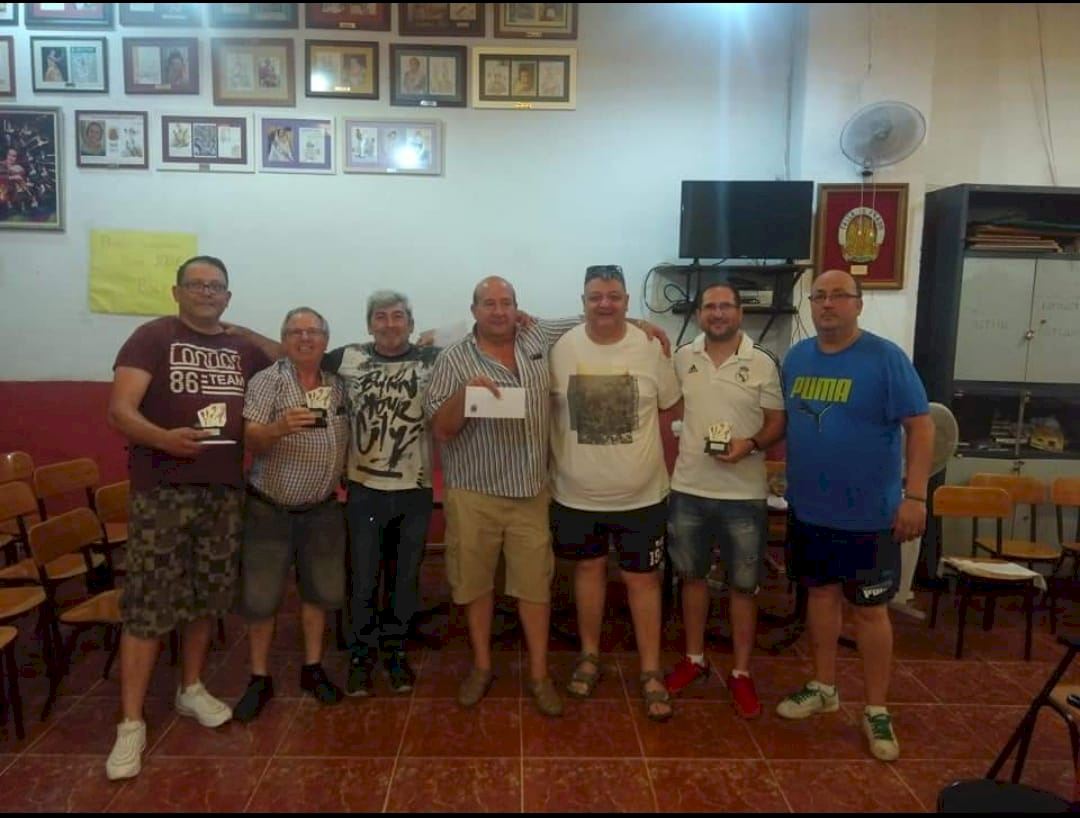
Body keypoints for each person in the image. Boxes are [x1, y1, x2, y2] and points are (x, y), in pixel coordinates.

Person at [104, 256, 273, 780]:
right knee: (148, 605)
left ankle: (191, 687)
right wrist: (163, 440)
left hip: (223, 492)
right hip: (162, 492)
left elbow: (289, 354)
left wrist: (244, 330)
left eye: (216, 286)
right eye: (196, 285)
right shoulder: (152, 337)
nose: (206, 292)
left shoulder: (242, 348)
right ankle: (131, 722)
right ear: (176, 291)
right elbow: (120, 411)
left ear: (228, 296)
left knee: (206, 596)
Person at [776, 268, 933, 762]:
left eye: (839, 295)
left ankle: (876, 708)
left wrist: (916, 496)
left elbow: (922, 427)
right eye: (819, 296)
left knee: (870, 611)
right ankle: (824, 686)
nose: (827, 304)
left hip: (869, 514)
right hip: (810, 508)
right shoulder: (797, 358)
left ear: (858, 304)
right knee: (821, 596)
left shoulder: (886, 358)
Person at [425, 277, 580, 718]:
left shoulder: (536, 335)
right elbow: (441, 430)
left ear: (517, 307)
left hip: (530, 490)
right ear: (473, 310)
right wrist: (465, 394)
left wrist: (645, 326)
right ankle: (482, 666)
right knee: (475, 584)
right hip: (473, 491)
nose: (498, 311)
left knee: (535, 586)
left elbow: (593, 318)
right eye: (489, 303)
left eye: (506, 302)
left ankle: (539, 675)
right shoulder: (453, 358)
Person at [548, 265, 681, 722]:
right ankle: (589, 656)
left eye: (613, 296)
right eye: (595, 297)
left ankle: (650, 670)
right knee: (588, 571)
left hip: (641, 496)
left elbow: (670, 404)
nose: (604, 304)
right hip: (576, 494)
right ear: (583, 302)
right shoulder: (561, 348)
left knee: (643, 580)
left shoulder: (650, 347)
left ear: (627, 300)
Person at [663, 283, 786, 718]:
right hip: (689, 488)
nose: (718, 314)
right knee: (691, 579)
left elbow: (777, 422)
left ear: (739, 312)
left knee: (744, 587)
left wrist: (749, 444)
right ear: (699, 314)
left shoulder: (763, 361)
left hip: (743, 495)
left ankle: (740, 672)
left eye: (726, 306)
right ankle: (694, 659)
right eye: (710, 307)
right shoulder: (683, 357)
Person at [231, 307, 350, 723]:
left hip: (322, 508)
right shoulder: (267, 381)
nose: (305, 338)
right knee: (261, 598)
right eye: (295, 332)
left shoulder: (337, 385)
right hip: (270, 508)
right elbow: (251, 439)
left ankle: (312, 668)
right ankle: (259, 677)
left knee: (318, 593)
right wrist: (278, 428)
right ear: (284, 340)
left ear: (325, 340)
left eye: (313, 332)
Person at [322, 291, 440, 697]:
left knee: (404, 578)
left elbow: (477, 343)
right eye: (381, 317)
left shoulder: (433, 359)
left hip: (414, 490)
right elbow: (296, 351)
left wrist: (441, 335)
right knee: (364, 576)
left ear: (411, 322)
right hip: (364, 489)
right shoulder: (348, 358)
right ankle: (360, 655)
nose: (390, 324)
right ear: (369, 324)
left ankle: (395, 651)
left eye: (398, 316)